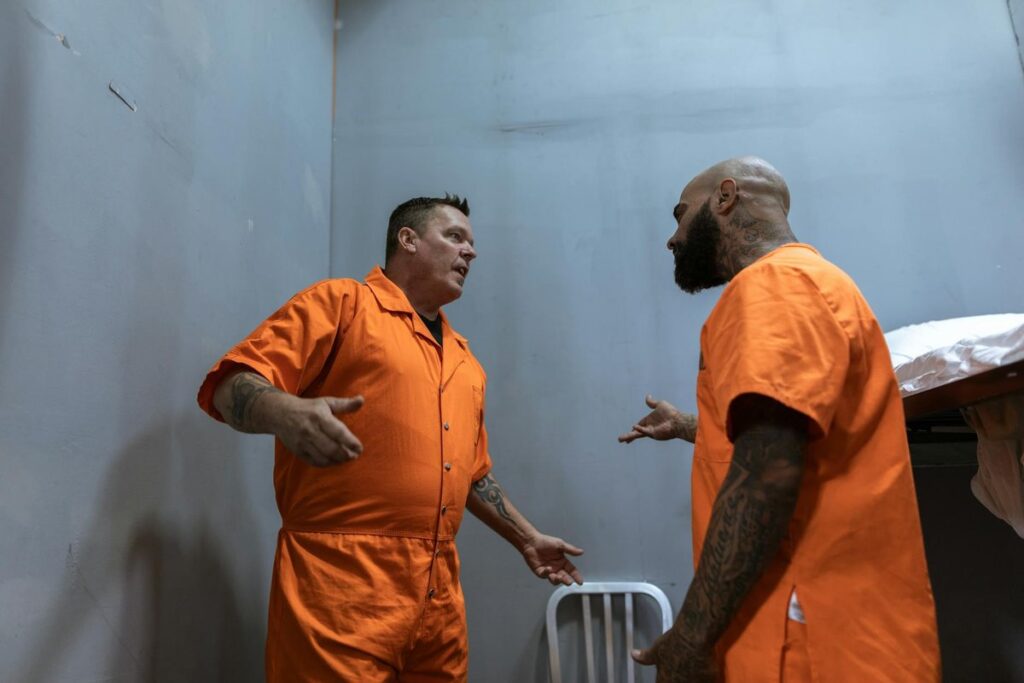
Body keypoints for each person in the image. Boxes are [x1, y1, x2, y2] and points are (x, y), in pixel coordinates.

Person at [197, 194, 583, 682]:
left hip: (438, 594)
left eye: (472, 243)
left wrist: (527, 538)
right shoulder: (342, 304)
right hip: (339, 586)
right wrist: (286, 411)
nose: (471, 252)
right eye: (455, 237)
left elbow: (473, 475)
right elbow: (231, 385)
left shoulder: (466, 362)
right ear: (408, 240)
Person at [618, 158, 940, 682]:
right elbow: (807, 444)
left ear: (725, 198)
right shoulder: (813, 283)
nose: (672, 239)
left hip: (806, 642)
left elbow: (767, 473)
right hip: (849, 638)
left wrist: (691, 637)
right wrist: (690, 427)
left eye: (679, 216)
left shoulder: (774, 286)